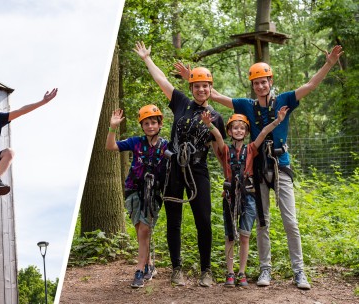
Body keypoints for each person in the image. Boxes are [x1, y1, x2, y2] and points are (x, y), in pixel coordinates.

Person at [207, 45, 344, 289]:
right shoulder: (247, 105)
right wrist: (194, 78)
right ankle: (265, 270)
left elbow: (310, 86)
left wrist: (329, 63)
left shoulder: (284, 100)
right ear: (253, 85)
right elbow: (216, 96)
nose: (261, 86)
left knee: (290, 221)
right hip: (258, 169)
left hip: (281, 165)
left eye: (264, 81)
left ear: (271, 81)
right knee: (263, 221)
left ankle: (299, 271)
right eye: (257, 82)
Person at [134, 41, 226, 287]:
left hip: (198, 169)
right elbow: (162, 80)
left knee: (203, 220)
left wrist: (229, 172)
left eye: (205, 86)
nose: (201, 90)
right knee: (174, 220)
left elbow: (220, 150)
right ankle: (177, 269)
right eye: (197, 86)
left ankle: (206, 271)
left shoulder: (217, 117)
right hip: (173, 167)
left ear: (210, 88)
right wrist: (147, 59)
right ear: (191, 87)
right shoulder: (181, 103)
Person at [201, 107, 288, 287]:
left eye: (242, 128)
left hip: (248, 196)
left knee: (244, 236)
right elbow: (217, 136)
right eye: (235, 128)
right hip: (230, 197)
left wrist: (278, 120)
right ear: (230, 131)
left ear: (246, 131)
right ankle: (230, 273)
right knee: (230, 236)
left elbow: (263, 133)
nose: (239, 130)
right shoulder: (224, 150)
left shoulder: (251, 149)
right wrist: (209, 124)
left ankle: (242, 272)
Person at [105, 105, 168, 288]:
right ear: (142, 126)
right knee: (141, 229)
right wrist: (113, 127)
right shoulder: (136, 142)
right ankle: (148, 265)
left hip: (153, 192)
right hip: (133, 190)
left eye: (153, 122)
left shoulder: (166, 146)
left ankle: (139, 269)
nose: (150, 126)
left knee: (145, 230)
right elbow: (110, 146)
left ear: (159, 124)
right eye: (146, 123)